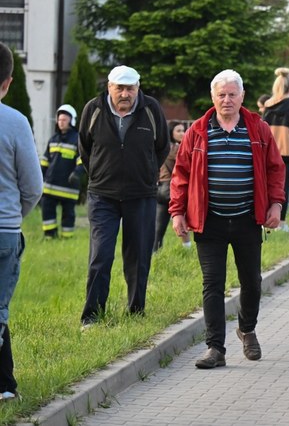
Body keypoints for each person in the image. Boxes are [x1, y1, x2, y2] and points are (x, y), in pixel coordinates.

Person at [170, 70, 285, 369]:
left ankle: (246, 329)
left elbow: (275, 168)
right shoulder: (197, 130)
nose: (227, 100)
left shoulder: (257, 128)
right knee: (213, 284)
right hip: (209, 221)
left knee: (252, 282)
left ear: (242, 97)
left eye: (232, 94)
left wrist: (276, 204)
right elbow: (180, 175)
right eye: (221, 94)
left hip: (248, 217)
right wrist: (177, 212)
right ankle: (215, 348)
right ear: (213, 97)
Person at [79, 65, 169, 328]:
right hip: (102, 196)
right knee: (101, 255)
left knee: (139, 255)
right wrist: (99, 174)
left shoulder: (151, 110)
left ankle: (136, 311)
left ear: (137, 88)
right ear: (109, 87)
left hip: (140, 195)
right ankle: (92, 316)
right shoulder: (93, 110)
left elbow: (162, 147)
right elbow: (85, 148)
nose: (125, 94)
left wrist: (146, 173)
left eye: (130, 88)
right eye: (119, 88)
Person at [0, 43, 42, 400]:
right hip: (5, 232)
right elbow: (33, 186)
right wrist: (14, 216)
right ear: (8, 82)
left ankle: (5, 384)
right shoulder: (15, 122)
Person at [260, 68, 289, 233]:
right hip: (288, 152)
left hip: (269, 152)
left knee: (266, 186)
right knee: (283, 188)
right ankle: (281, 222)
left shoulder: (267, 105)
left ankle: (264, 220)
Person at [39, 104, 84, 238]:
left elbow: (82, 160)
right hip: (50, 185)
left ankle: (67, 237)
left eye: (64, 119)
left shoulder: (78, 140)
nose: (61, 122)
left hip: (69, 186)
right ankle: (50, 236)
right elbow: (45, 161)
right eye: (59, 119)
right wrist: (40, 176)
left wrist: (77, 173)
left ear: (72, 121)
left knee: (68, 213)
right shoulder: (53, 140)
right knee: (47, 210)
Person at [153, 121, 187, 251]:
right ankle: (187, 250)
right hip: (172, 189)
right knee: (183, 221)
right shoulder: (177, 149)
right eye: (178, 131)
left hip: (160, 188)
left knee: (159, 227)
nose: (182, 133)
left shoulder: (162, 148)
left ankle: (155, 253)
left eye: (183, 130)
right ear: (171, 133)